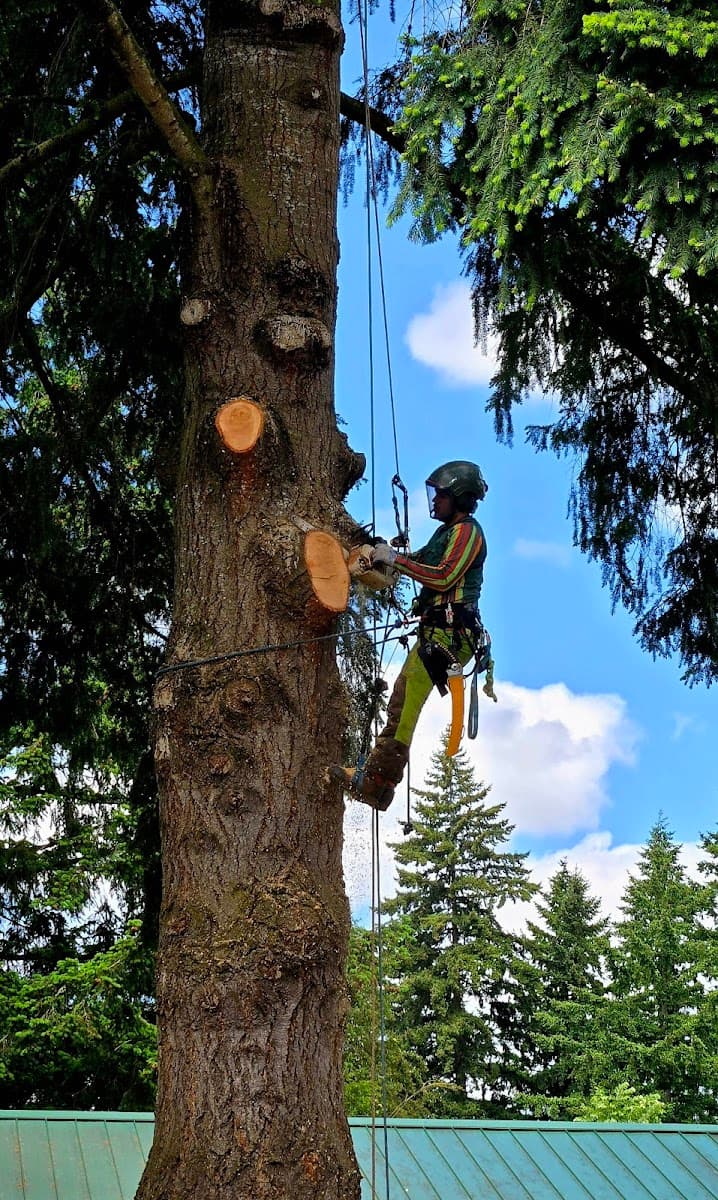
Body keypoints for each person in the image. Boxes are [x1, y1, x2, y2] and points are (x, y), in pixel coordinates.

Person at [333, 460, 488, 810]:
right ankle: (377, 779)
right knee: (400, 702)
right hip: (437, 633)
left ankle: (377, 782)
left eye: (441, 495)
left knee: (402, 708)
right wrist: (385, 557)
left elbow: (444, 577)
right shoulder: (446, 534)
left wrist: (398, 562)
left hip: (450, 637)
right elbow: (421, 561)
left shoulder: (468, 532)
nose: (434, 501)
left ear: (459, 497)